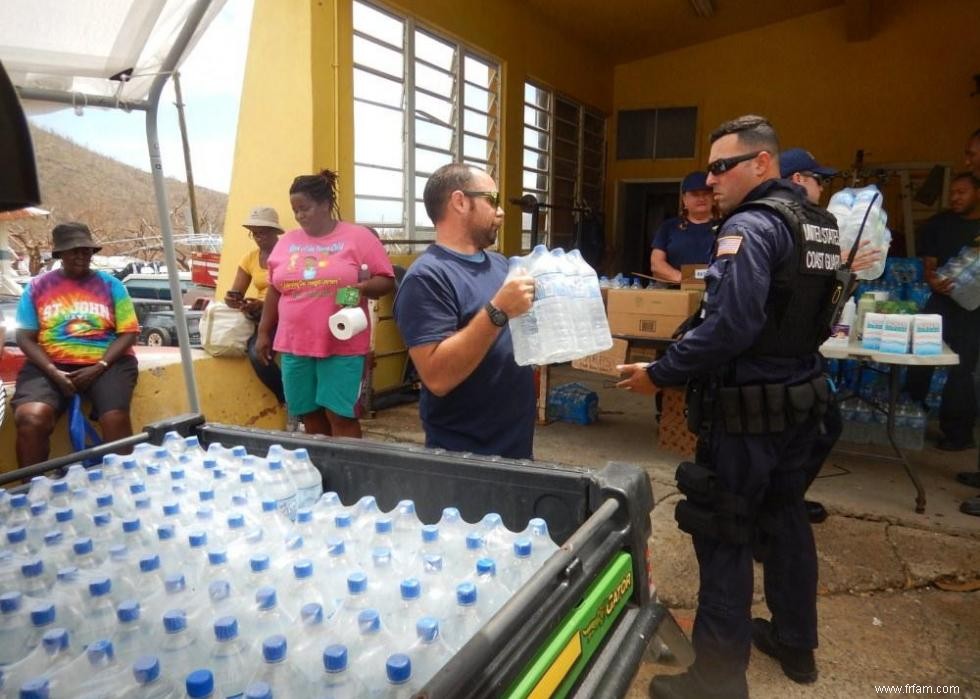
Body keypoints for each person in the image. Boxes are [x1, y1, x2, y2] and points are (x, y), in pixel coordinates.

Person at [619, 116, 839, 698]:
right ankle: (796, 643)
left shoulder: (751, 225)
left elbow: (732, 324)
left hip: (749, 412)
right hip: (802, 400)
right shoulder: (818, 224)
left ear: (762, 164)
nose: (711, 179)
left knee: (724, 530)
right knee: (786, 517)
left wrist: (660, 374)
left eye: (723, 166)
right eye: (710, 168)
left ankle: (715, 681)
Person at [392, 163, 535, 459]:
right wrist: (498, 311)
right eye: (492, 200)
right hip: (465, 457)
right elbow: (437, 378)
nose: (501, 211)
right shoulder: (427, 278)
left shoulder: (500, 265)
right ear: (460, 201)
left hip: (516, 446)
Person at [780, 147, 882, 524]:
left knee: (819, 429)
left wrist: (845, 273)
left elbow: (825, 304)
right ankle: (776, 514)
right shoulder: (782, 225)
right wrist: (838, 267)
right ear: (797, 180)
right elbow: (793, 295)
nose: (823, 189)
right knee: (805, 432)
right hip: (779, 359)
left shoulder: (814, 226)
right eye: (818, 180)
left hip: (802, 355)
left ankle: (785, 503)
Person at [254, 170, 394, 438]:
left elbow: (386, 281)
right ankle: (320, 472)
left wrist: (362, 287)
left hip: (342, 344)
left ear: (325, 205)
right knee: (309, 414)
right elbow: (274, 289)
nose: (299, 216)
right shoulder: (287, 243)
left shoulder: (358, 237)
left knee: (340, 415)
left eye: (304, 208)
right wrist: (263, 332)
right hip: (295, 344)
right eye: (295, 210)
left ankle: (350, 474)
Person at [12, 222, 140, 466]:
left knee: (114, 418)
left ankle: (123, 483)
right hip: (49, 364)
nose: (81, 255)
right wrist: (52, 372)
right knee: (31, 419)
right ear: (60, 254)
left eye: (86, 250)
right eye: (74, 250)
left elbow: (129, 333)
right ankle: (32, 491)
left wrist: (100, 366)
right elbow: (24, 338)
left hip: (107, 362)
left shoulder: (112, 286)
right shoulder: (37, 287)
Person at [906, 173, 980, 463]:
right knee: (919, 359)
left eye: (962, 192)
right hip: (940, 302)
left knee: (962, 371)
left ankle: (957, 434)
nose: (955, 198)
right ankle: (911, 413)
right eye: (953, 193)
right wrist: (933, 280)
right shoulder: (939, 225)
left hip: (972, 310)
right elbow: (929, 265)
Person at [224, 205, 288, 415]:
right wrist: (234, 300)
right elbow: (236, 291)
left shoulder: (288, 254)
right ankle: (289, 399)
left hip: (284, 315)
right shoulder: (250, 258)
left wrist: (264, 306)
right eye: (255, 233)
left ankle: (288, 399)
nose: (258, 237)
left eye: (263, 232)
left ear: (275, 232)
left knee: (257, 353)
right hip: (258, 316)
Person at [649, 171, 716, 283]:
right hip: (677, 294)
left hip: (716, 294)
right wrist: (685, 279)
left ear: (713, 197)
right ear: (684, 199)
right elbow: (656, 264)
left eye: (706, 193)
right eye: (695, 194)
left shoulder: (726, 226)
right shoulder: (669, 227)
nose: (701, 198)